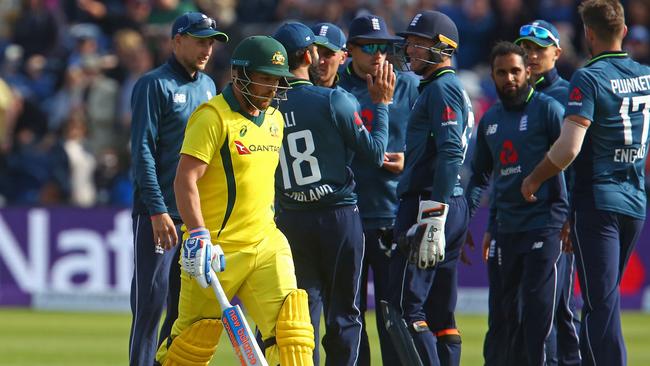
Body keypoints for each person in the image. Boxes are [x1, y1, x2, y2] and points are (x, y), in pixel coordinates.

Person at [155, 35, 315, 366]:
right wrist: (198, 235)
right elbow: (185, 179)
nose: (273, 88)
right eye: (265, 78)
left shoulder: (275, 119)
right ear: (241, 75)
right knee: (190, 349)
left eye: (278, 80)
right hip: (216, 253)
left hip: (266, 244)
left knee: (294, 333)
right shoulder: (212, 117)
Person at [521, 0, 650, 364]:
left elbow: (568, 149)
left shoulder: (588, 77)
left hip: (597, 202)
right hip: (635, 202)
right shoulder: (645, 75)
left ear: (588, 34)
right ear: (623, 31)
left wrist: (533, 178)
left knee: (598, 307)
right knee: (604, 303)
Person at [271, 21, 394, 366]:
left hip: (291, 218)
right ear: (309, 55)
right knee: (344, 315)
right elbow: (374, 153)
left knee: (302, 315)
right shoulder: (334, 99)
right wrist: (381, 104)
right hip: (338, 216)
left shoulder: (266, 107)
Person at [128, 12, 227, 366]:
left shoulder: (208, 87)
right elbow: (142, 151)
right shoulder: (153, 85)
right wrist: (156, 210)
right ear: (177, 40)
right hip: (159, 215)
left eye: (211, 42)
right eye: (200, 40)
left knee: (184, 311)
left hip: (193, 216)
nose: (207, 48)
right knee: (149, 307)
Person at [467, 41, 568, 366]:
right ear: (493, 77)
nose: (509, 78)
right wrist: (472, 221)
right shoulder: (490, 120)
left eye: (515, 71)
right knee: (502, 319)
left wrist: (569, 217)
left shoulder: (547, 110)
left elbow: (570, 165)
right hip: (505, 231)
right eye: (501, 72)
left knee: (538, 320)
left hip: (544, 225)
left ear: (527, 72)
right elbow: (484, 176)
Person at [390, 10, 473, 366]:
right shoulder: (444, 88)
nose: (408, 48)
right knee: (441, 315)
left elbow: (451, 150)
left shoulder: (442, 88)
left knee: (406, 309)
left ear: (443, 48)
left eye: (418, 42)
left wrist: (435, 214)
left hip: (431, 201)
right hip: (448, 201)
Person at [335, 15, 420, 366]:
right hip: (348, 215)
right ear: (350, 50)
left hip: (392, 215)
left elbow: (436, 143)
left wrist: (408, 163)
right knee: (349, 316)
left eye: (384, 47)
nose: (378, 55)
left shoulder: (409, 86)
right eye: (369, 47)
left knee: (393, 316)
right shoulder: (335, 90)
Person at [515, 19, 581, 366]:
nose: (531, 55)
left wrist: (569, 214)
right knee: (531, 309)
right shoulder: (522, 98)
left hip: (556, 215)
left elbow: (575, 163)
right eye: (525, 48)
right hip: (523, 217)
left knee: (560, 308)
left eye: (539, 49)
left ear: (557, 52)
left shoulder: (569, 95)